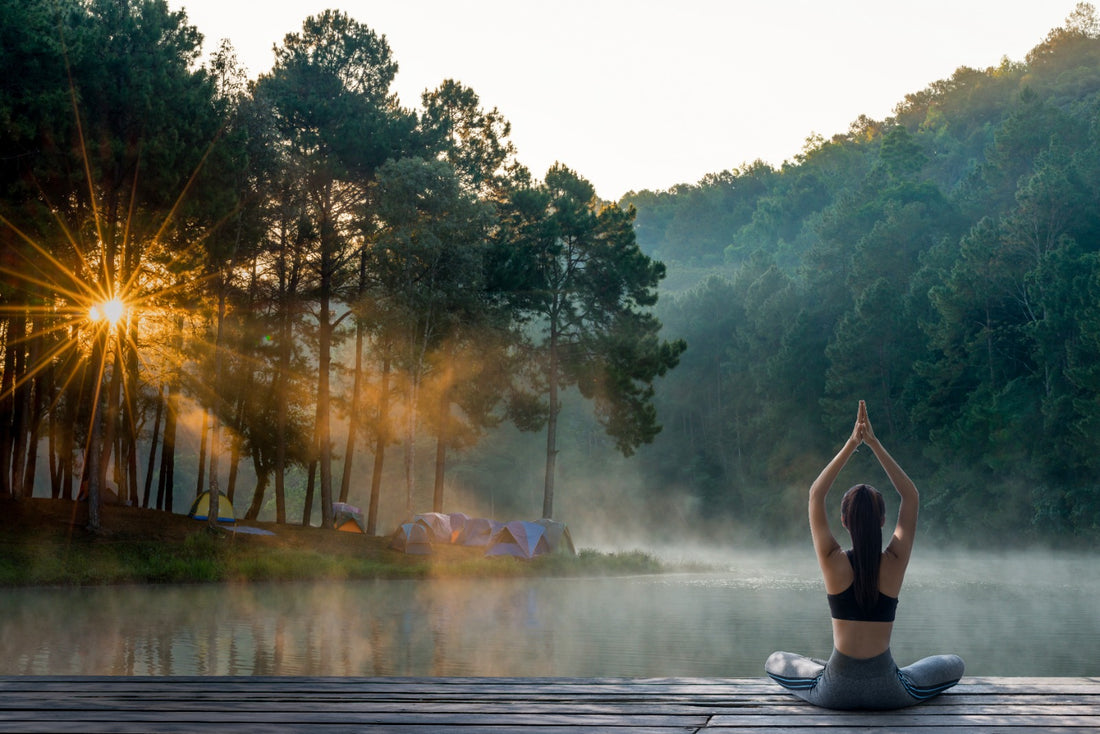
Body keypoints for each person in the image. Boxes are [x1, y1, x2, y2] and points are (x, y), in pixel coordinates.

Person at [765, 400, 964, 710]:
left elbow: (816, 494)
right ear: (883, 520)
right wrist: (873, 442)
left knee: (775, 660)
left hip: (835, 691)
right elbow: (910, 495)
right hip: (889, 692)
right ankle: (823, 668)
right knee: (954, 663)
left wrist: (852, 443)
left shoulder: (833, 560)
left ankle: (817, 667)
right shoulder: (894, 562)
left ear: (844, 522)